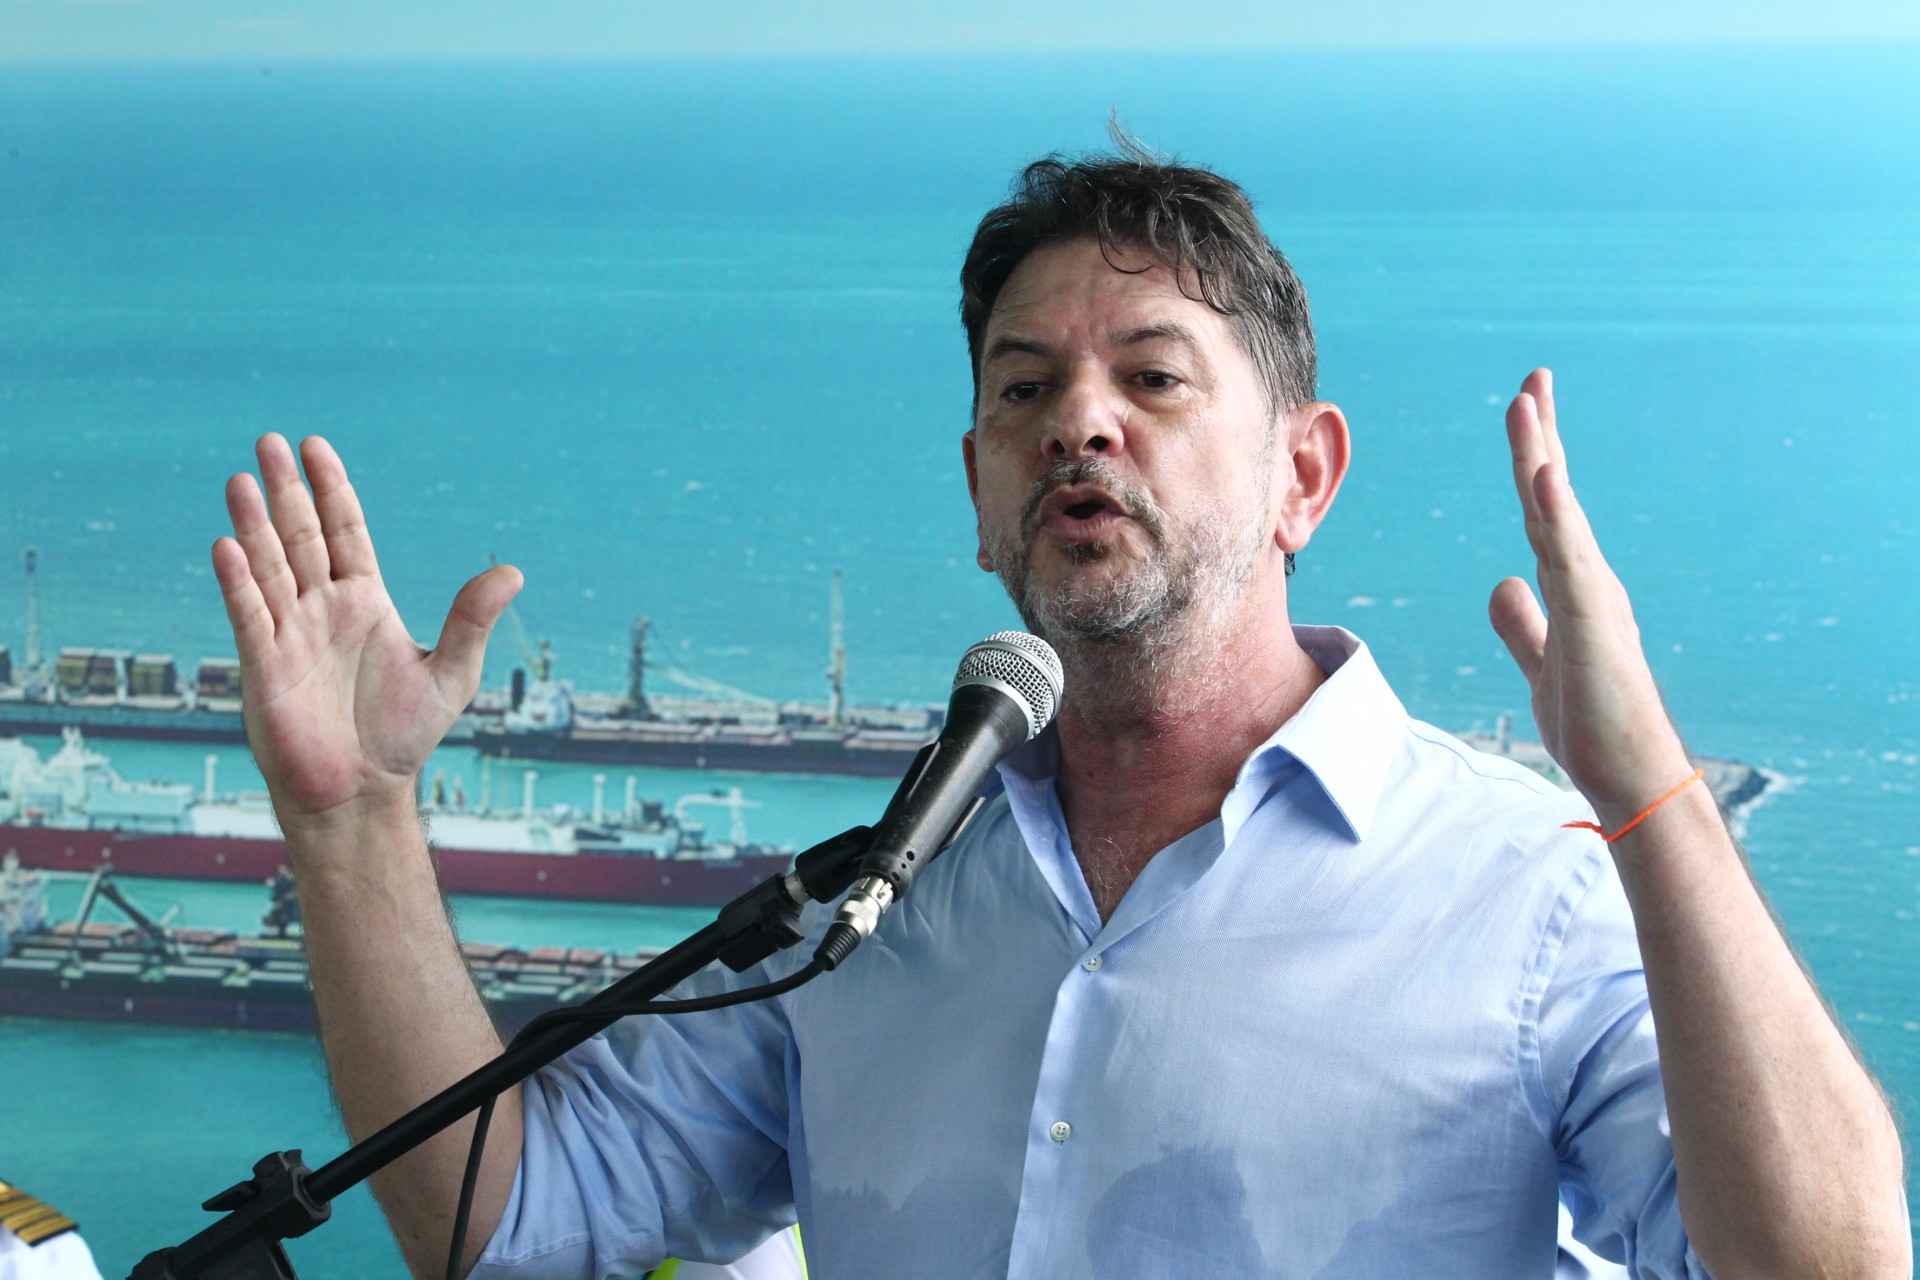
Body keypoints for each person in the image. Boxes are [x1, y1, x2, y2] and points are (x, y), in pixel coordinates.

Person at [209, 141, 1909, 1279]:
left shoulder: (1528, 893)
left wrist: (1649, 791)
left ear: (1305, 476)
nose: (1079, 423)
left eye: (1153, 377)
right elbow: (494, 1219)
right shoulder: (867, 913)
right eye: (1026, 389)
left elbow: (1830, 1267)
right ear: (979, 492)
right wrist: (352, 820)